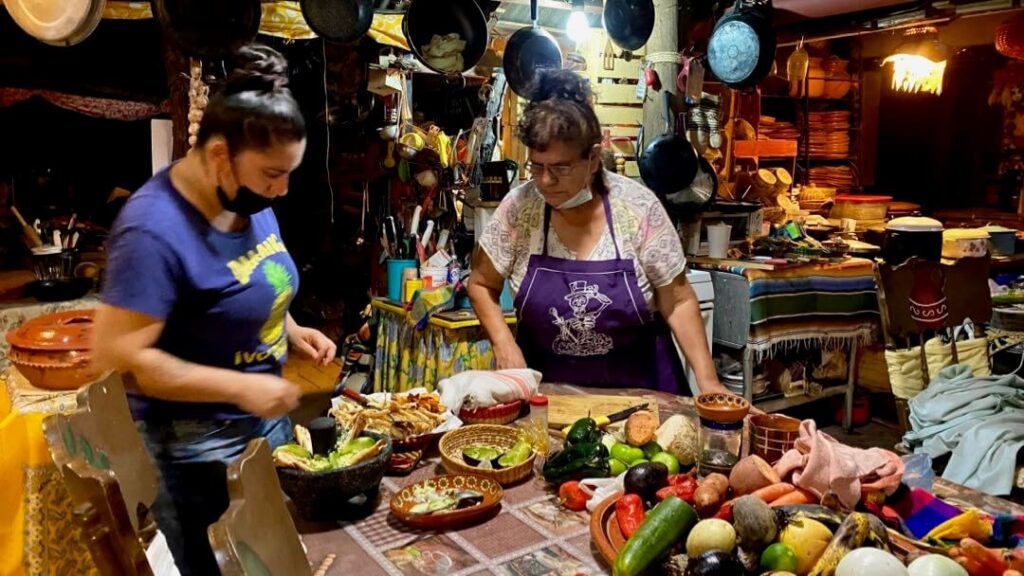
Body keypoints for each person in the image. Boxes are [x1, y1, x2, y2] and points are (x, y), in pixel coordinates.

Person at [92, 44, 336, 575]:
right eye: (273, 173)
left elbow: (246, 278)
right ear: (221, 154)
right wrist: (240, 387)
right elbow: (119, 356)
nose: (283, 189)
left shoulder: (242, 197)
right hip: (198, 449)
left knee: (276, 559)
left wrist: (290, 328)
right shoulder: (153, 229)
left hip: (258, 427)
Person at [468, 70, 728, 396]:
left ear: (592, 158)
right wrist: (503, 343)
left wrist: (709, 383)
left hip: (641, 391)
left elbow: (677, 300)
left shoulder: (637, 209)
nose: (545, 181)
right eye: (537, 166)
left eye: (560, 168)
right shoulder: (521, 208)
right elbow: (480, 283)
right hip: (545, 393)